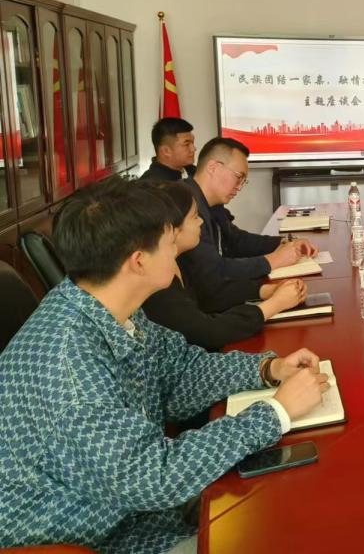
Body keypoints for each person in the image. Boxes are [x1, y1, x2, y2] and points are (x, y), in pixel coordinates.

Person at [0, 177, 329, 554]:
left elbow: (180, 372)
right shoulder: (70, 371)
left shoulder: (105, 306)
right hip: (103, 536)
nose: (178, 253)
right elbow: (152, 478)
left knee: (291, 501)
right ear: (138, 261)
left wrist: (267, 370)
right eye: (170, 242)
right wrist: (275, 413)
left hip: (136, 507)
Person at [143, 182, 309, 351]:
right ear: (172, 229)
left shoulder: (180, 259)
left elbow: (209, 295)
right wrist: (274, 305)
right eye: (194, 217)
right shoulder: (159, 282)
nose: (201, 222)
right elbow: (208, 332)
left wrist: (264, 291)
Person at [181, 137, 317, 312]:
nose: (239, 187)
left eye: (243, 181)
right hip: (200, 310)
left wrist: (283, 242)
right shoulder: (185, 205)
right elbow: (213, 271)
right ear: (213, 167)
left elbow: (235, 240)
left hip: (221, 299)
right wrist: (273, 260)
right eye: (238, 177)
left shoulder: (210, 202)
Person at [139, 117, 197, 181]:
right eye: (186, 144)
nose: (193, 149)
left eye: (192, 143)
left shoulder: (195, 171)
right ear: (166, 151)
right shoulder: (151, 185)